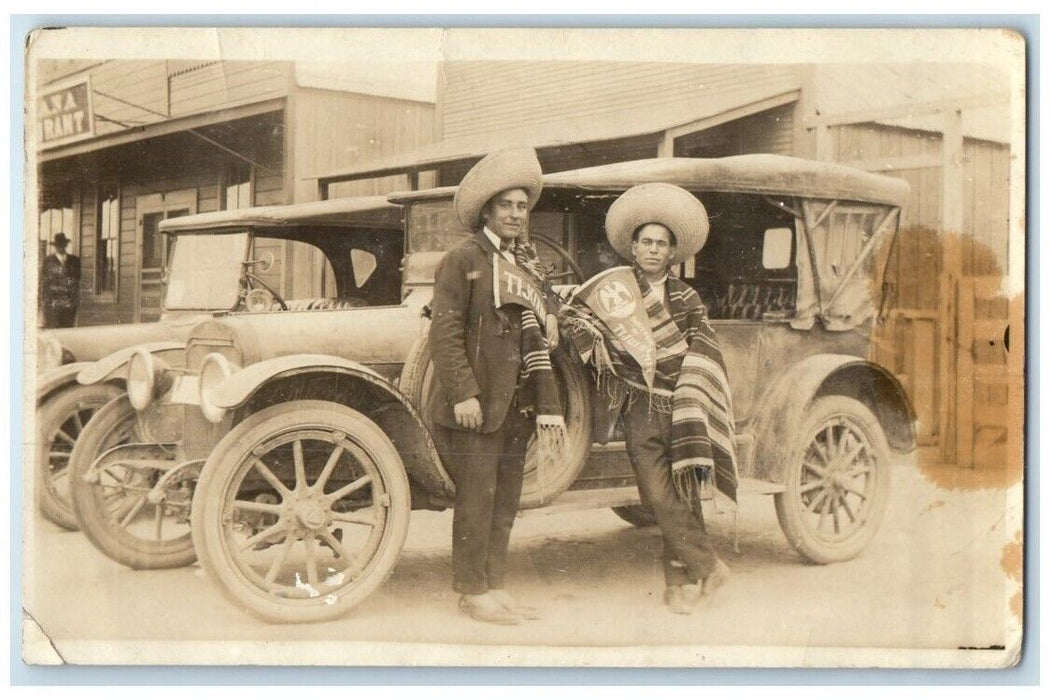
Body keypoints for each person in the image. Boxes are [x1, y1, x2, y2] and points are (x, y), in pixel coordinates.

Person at [562, 183, 737, 615]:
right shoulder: (614, 291)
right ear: (633, 248)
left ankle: (680, 581)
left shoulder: (686, 298)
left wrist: (692, 389)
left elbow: (705, 347)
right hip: (640, 406)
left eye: (662, 243)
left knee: (685, 493)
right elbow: (583, 326)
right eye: (647, 242)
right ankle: (709, 566)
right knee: (657, 495)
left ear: (672, 252)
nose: (654, 250)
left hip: (683, 404)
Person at [427, 147, 565, 625]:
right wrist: (463, 392)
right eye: (505, 205)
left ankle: (495, 584)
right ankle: (471, 591)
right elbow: (443, 333)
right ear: (487, 210)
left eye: (521, 206)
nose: (514, 214)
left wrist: (550, 319)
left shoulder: (526, 262)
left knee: (506, 501)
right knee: (477, 499)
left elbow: (544, 314)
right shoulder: (463, 258)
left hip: (519, 404)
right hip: (478, 403)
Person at [40, 232, 81, 329]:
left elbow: (77, 279)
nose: (60, 247)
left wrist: (74, 300)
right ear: (55, 246)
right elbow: (44, 282)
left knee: (67, 330)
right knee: (54, 330)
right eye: (58, 245)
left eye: (63, 245)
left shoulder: (74, 261)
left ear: (66, 245)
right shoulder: (48, 261)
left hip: (69, 303)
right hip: (53, 304)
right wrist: (46, 303)